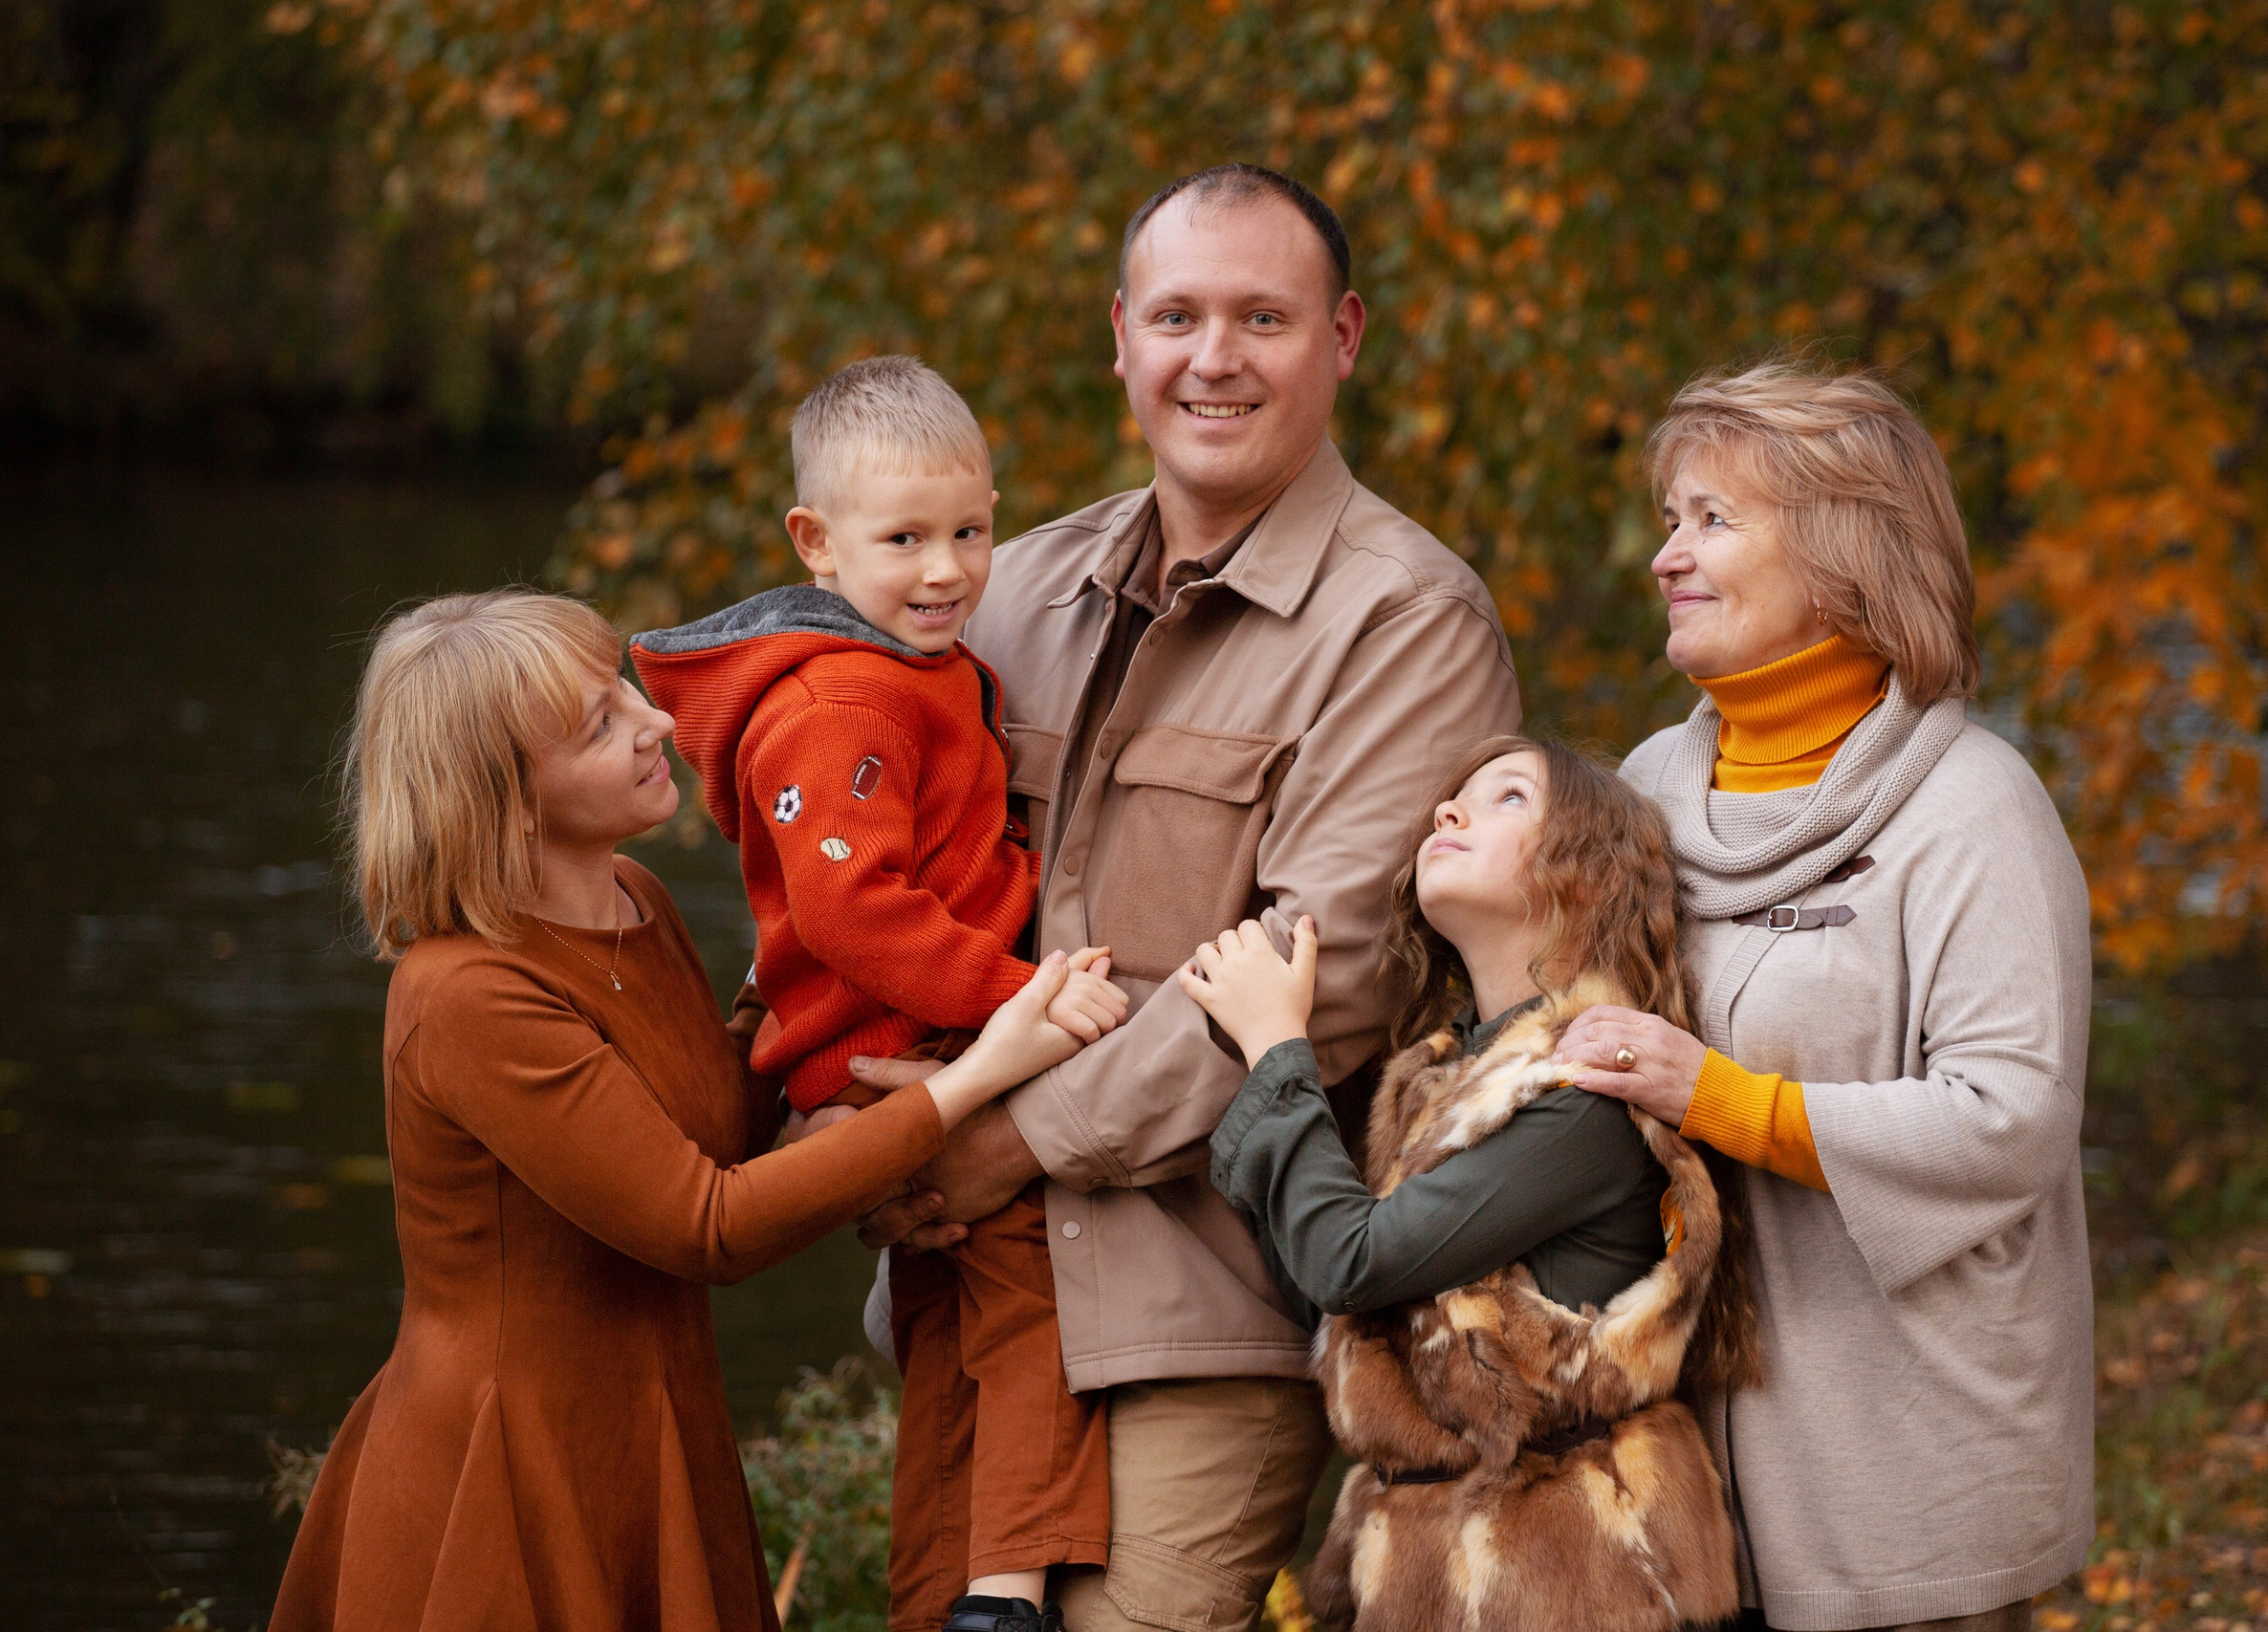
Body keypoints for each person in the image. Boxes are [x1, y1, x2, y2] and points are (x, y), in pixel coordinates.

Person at [848, 163, 1522, 1630]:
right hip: (971, 1297)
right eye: (1177, 317)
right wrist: (827, 1124)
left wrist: (1002, 1138)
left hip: (1200, 1315)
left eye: (1262, 317)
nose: (1214, 357)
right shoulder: (1005, 591)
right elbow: (859, 859)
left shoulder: (1406, 618)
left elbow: (1328, 969)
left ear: (1343, 337)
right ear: (1120, 337)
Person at [272, 588, 1123, 1632]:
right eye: (600, 726)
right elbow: (703, 1222)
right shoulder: (466, 995)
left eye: (622, 690)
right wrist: (974, 1081)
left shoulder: (635, 897)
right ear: (508, 798)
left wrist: (847, 1110)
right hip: (509, 1467)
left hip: (659, 1421)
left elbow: (717, 1114)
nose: (656, 722)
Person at [1557, 359, 2094, 1631]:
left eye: (1713, 519)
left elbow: (2011, 1117)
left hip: (1905, 1453)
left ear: (1844, 556)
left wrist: (1725, 1099)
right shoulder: (1647, 787)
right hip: (1673, 1462)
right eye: (1670, 519)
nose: (1666, 557)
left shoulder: (1973, 805)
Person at [631, 357, 1122, 1632]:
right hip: (904, 1036)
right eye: (903, 539)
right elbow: (851, 909)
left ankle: (935, 1597)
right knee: (1033, 1302)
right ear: (817, 541)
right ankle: (1007, 1595)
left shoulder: (916, 665)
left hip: (910, 1028)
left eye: (969, 532)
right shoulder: (838, 698)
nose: (945, 569)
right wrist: (1018, 995)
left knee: (945, 1332)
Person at [1186, 737, 1748, 1632]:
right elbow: (1334, 1306)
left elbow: (1351, 1264)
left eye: (1509, 797)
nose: (1449, 811)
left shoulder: (1589, 1090)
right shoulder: (1437, 1077)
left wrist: (1276, 1050)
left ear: (1590, 878)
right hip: (1429, 1565)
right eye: (1455, 798)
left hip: (1569, 1576)